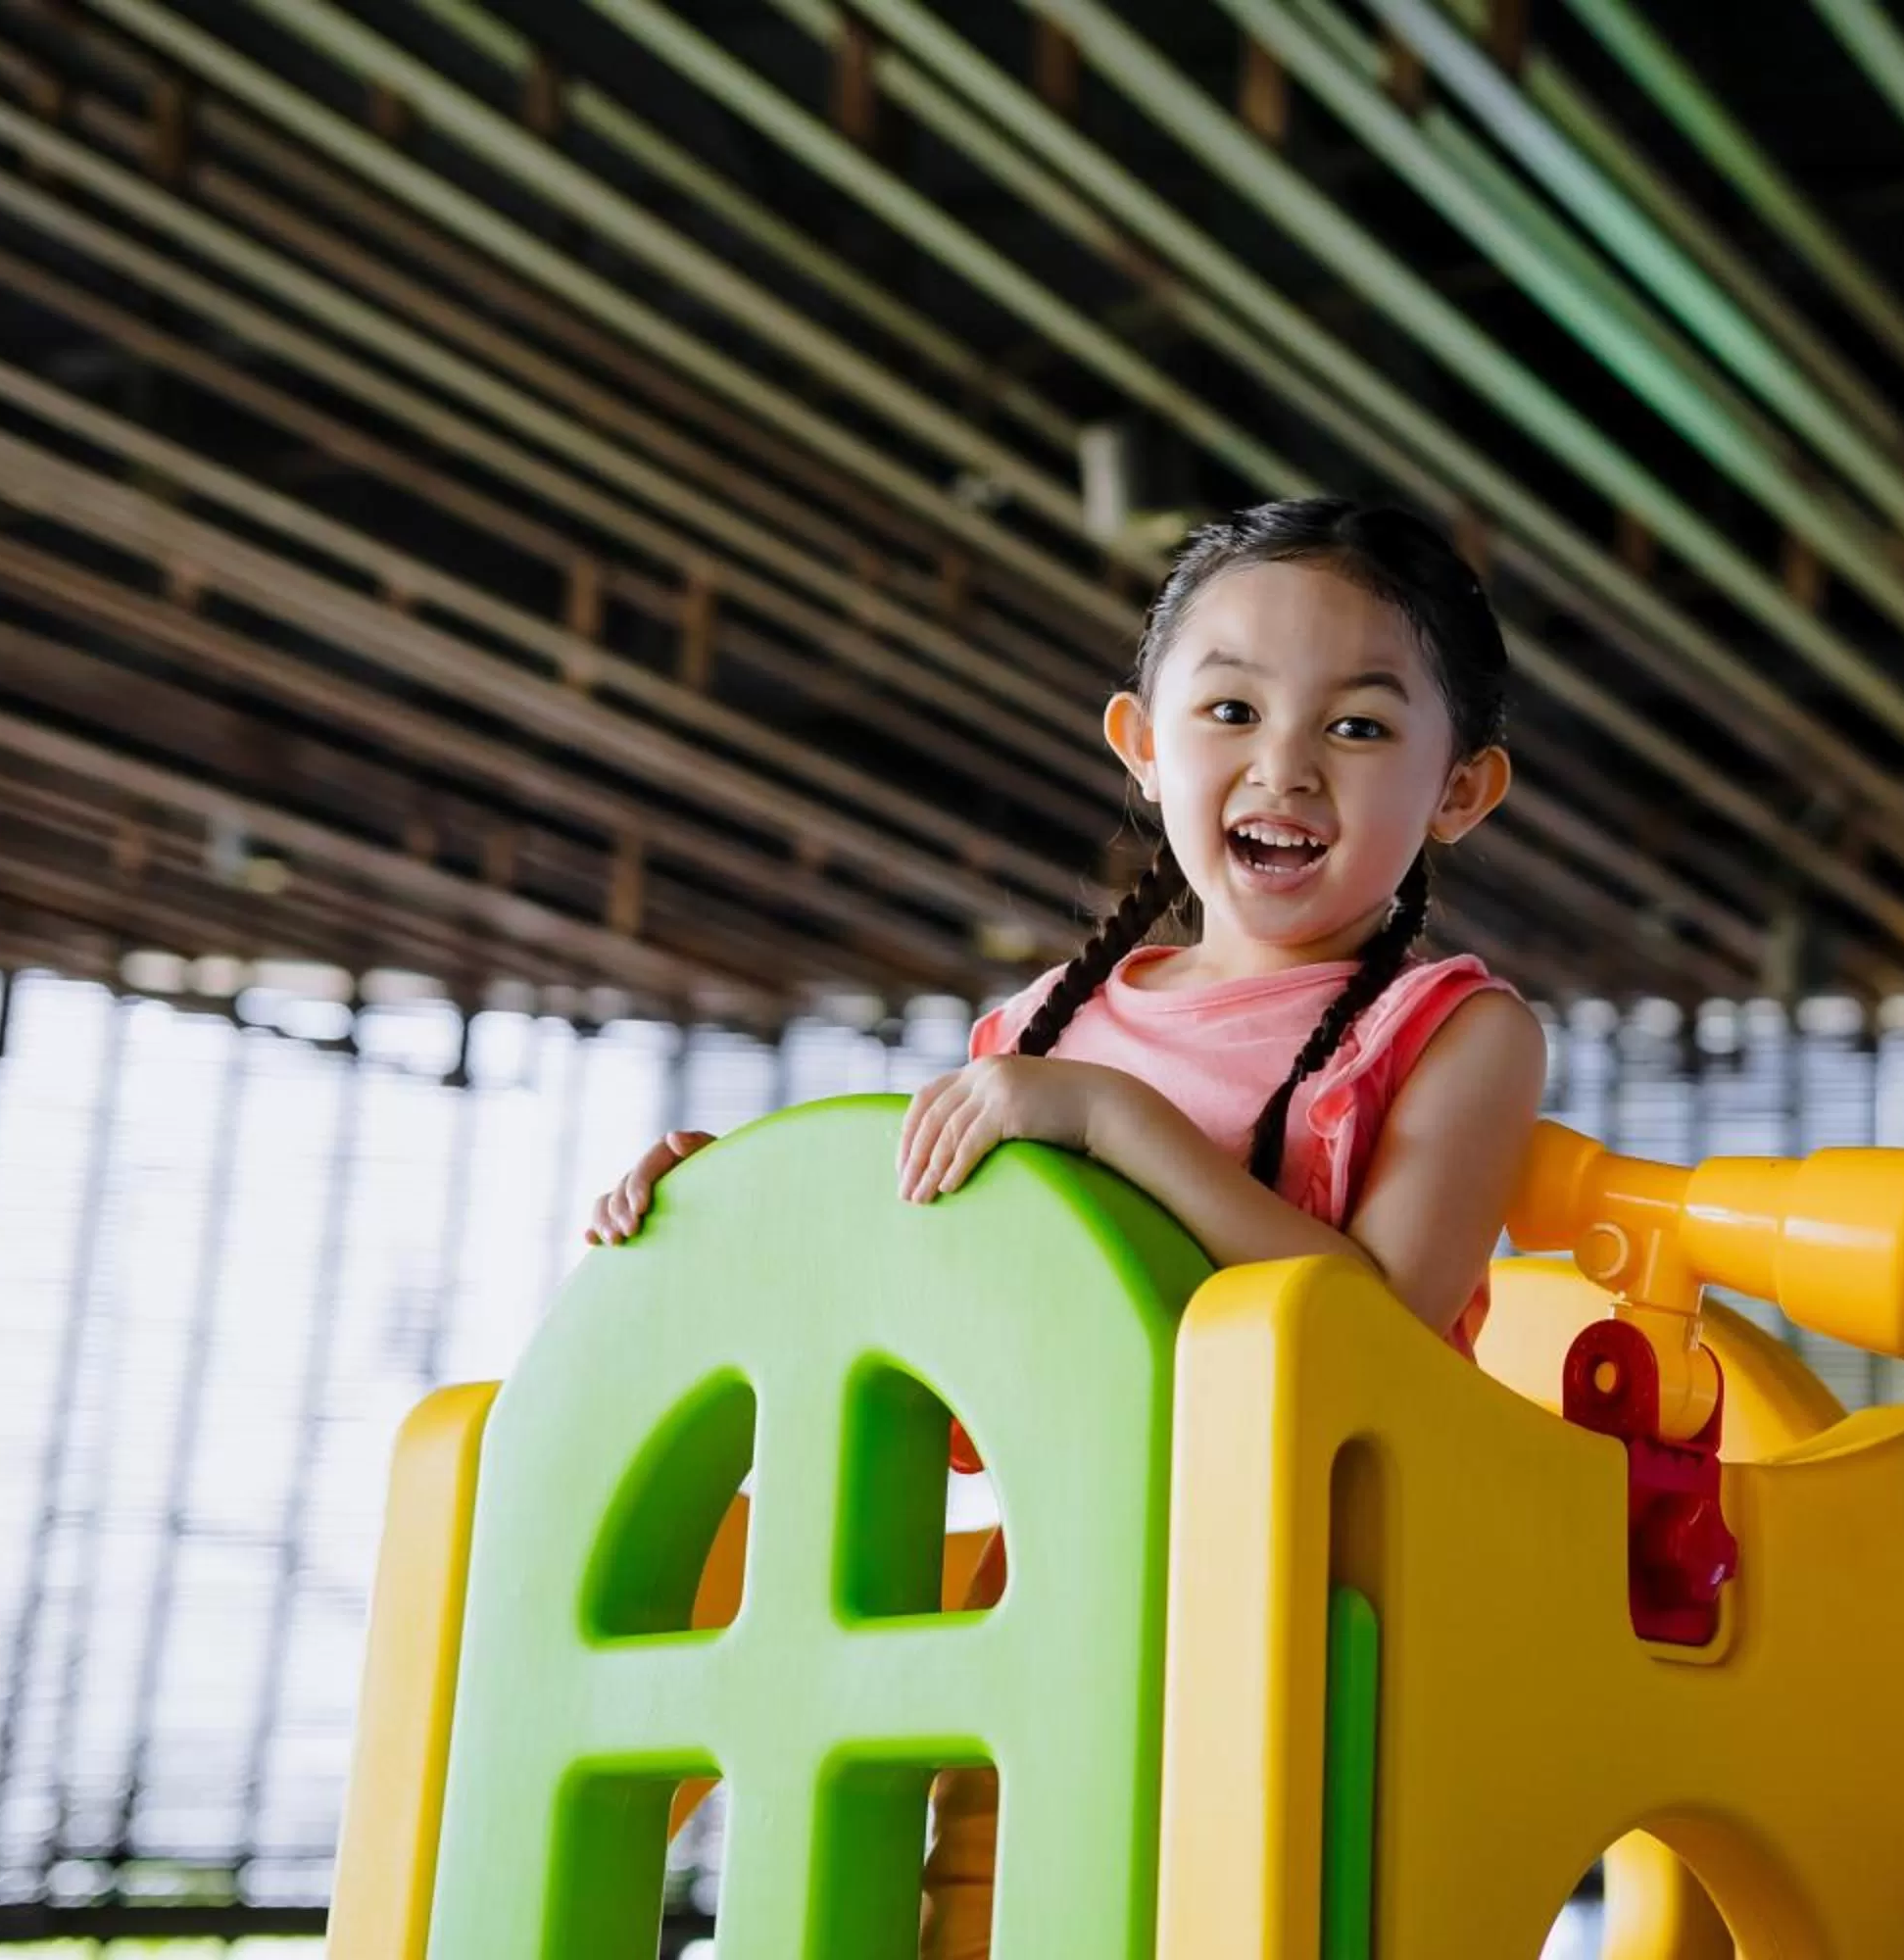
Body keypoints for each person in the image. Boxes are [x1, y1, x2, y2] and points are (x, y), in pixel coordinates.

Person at [581, 496, 1550, 1955]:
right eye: (1229, 707)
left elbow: (1386, 1335)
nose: (1282, 764)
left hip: (1327, 1616)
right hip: (1054, 1600)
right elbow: (929, 1290)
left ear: (1462, 789)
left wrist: (1120, 1128)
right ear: (1144, 744)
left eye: (1356, 727)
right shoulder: (1043, 1024)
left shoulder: (1456, 1031)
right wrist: (732, 1209)